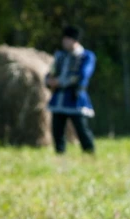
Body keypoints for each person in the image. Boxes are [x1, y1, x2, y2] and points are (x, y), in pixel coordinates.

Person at [45, 26, 97, 154]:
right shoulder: (60, 56)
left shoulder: (86, 56)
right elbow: (51, 72)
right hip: (58, 99)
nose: (64, 42)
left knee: (81, 128)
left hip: (75, 97)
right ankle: (60, 154)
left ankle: (89, 152)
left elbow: (83, 75)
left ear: (74, 40)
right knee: (57, 129)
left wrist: (60, 82)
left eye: (67, 39)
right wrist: (48, 80)